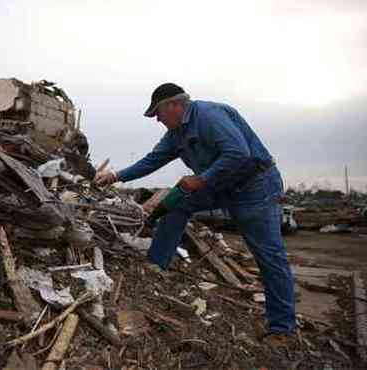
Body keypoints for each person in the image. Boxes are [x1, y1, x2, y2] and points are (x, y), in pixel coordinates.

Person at [95, 83, 296, 346]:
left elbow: (238, 154)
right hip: (220, 186)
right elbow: (151, 161)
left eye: (158, 113)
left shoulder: (210, 116)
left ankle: (283, 329)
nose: (157, 119)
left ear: (174, 105)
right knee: (176, 204)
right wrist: (114, 176)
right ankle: (156, 265)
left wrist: (202, 179)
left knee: (269, 255)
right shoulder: (175, 134)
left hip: (253, 185)